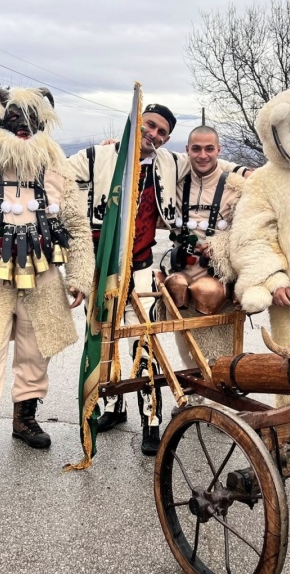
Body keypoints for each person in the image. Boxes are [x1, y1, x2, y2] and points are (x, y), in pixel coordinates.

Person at [65, 104, 248, 455]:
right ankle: (113, 407)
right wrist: (80, 221)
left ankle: (151, 419)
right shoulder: (97, 156)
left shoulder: (169, 162)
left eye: (162, 133)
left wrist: (247, 172)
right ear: (136, 124)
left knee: (144, 340)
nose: (154, 135)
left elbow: (210, 164)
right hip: (103, 268)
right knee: (105, 338)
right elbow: (57, 177)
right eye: (149, 126)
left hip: (142, 266)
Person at [0, 86, 94, 476]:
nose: (22, 130)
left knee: (36, 353)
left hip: (44, 278)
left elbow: (78, 227)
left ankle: (24, 419)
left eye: (30, 123)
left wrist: (79, 277)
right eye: (14, 121)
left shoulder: (58, 172)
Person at [163, 126, 244, 378]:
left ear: (219, 150)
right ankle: (194, 399)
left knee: (221, 351)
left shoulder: (237, 187)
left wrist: (220, 246)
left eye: (209, 148)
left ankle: (222, 398)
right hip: (182, 277)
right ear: (187, 150)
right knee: (186, 346)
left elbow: (250, 235)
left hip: (220, 280)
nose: (203, 155)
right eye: (196, 148)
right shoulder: (172, 184)